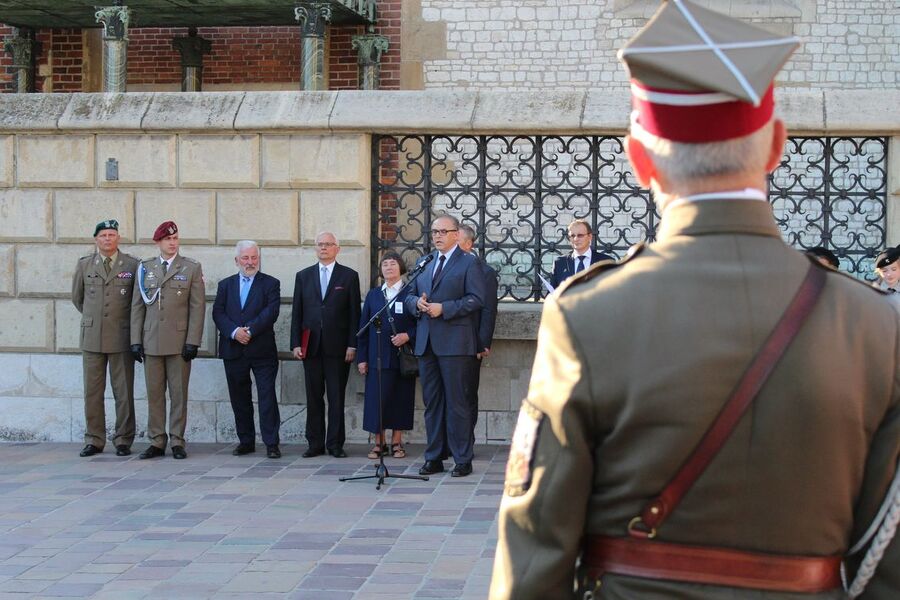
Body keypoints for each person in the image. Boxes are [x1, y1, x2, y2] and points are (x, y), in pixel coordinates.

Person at [490, 2, 899, 599]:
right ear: (777, 146)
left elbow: (535, 557)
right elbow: (886, 562)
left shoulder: (586, 314)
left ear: (638, 160)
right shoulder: (872, 323)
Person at [403, 214, 486, 478]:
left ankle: (462, 459)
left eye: (443, 231)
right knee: (433, 404)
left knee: (458, 403)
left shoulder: (468, 263)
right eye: (434, 231)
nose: (437, 235)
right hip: (427, 344)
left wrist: (445, 308)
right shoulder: (424, 262)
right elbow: (408, 295)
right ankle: (434, 457)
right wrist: (417, 303)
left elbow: (477, 299)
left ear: (455, 234)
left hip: (456, 344)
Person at [131, 221, 205, 460]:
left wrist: (193, 341)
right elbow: (137, 308)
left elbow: (197, 308)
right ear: (158, 242)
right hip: (151, 340)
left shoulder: (190, 267)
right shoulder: (145, 268)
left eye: (175, 239)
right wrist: (135, 340)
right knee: (154, 394)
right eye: (167, 240)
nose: (172, 243)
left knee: (178, 393)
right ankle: (156, 440)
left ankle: (177, 440)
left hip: (178, 342)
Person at [71, 219, 139, 457]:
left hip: (121, 337)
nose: (107, 239)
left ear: (118, 238)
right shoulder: (84, 265)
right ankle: (94, 438)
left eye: (112, 234)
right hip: (92, 338)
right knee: (92, 391)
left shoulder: (131, 264)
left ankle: (123, 439)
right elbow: (78, 299)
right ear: (96, 240)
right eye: (103, 235)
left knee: (123, 392)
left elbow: (136, 303)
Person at [290, 231, 361, 458]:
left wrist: (353, 344)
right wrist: (295, 343)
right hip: (310, 346)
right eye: (320, 244)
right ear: (315, 248)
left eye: (328, 244)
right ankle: (315, 443)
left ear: (337, 249)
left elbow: (354, 315)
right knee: (313, 397)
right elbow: (297, 313)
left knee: (336, 397)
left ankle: (335, 444)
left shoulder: (349, 276)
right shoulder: (303, 276)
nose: (324, 248)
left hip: (338, 348)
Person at [212, 241, 282, 459]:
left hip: (262, 350)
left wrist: (249, 331)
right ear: (237, 260)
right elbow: (218, 313)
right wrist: (234, 332)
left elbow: (271, 312)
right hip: (233, 349)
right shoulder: (225, 285)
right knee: (239, 398)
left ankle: (271, 443)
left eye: (254, 258)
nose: (250, 262)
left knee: (267, 397)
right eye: (245, 258)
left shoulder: (271, 283)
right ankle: (246, 441)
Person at [357, 251, 416, 459]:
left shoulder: (410, 292)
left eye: (392, 264)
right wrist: (362, 358)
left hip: (401, 358)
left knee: (400, 399)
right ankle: (378, 443)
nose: (388, 267)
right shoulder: (374, 295)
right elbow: (363, 328)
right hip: (376, 357)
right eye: (385, 264)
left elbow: (420, 324)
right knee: (376, 401)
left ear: (400, 268)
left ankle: (397, 443)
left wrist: (407, 336)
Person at [458, 224, 499, 428]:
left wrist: (482, 343)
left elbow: (488, 309)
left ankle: (465, 441)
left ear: (468, 244)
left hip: (471, 342)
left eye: (456, 241)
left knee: (466, 394)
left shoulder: (485, 272)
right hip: (446, 341)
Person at [549, 219, 614, 288]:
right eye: (572, 236)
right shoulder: (560, 263)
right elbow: (552, 293)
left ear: (590, 237)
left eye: (580, 235)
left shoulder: (606, 262)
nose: (576, 239)